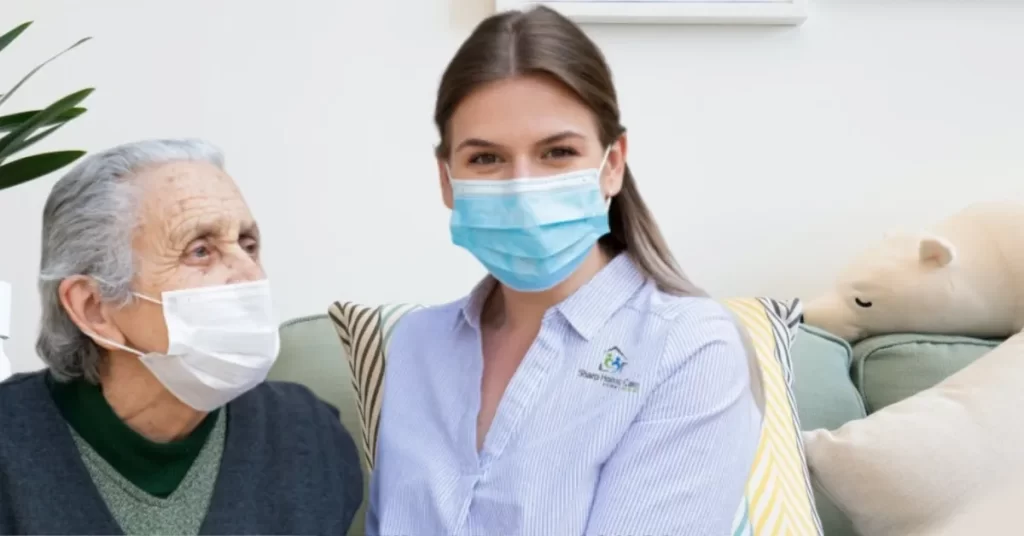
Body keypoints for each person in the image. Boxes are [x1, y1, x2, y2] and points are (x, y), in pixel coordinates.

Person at [369, 6, 763, 536]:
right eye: (486, 159)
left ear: (613, 163)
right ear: (446, 179)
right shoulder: (417, 344)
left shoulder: (688, 347)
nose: (521, 187)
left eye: (557, 152)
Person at [0, 139, 362, 535]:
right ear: (93, 308)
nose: (251, 275)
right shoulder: (12, 452)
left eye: (248, 245)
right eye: (200, 251)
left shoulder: (309, 437)